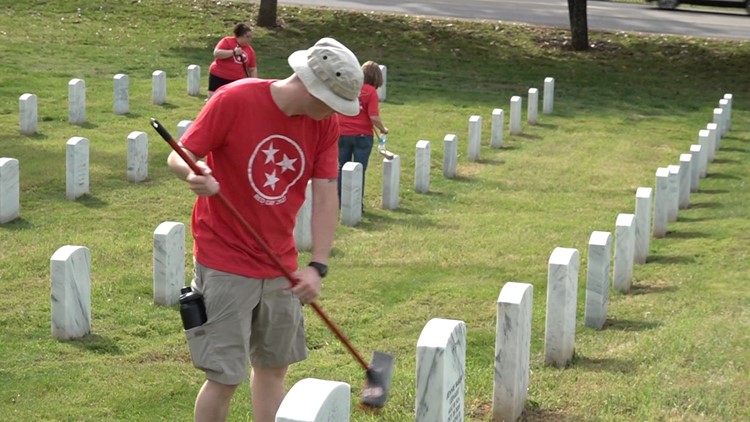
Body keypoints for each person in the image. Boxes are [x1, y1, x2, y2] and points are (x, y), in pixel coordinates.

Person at [167, 38, 364, 422]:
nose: (334, 113)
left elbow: (325, 193)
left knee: (274, 368)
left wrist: (317, 265)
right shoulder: (235, 100)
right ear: (311, 87)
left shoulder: (326, 124)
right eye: (332, 102)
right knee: (225, 377)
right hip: (224, 261)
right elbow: (179, 153)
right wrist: (193, 172)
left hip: (280, 264)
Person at [336, 61, 388, 206]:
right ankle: (356, 203)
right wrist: (383, 129)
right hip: (362, 136)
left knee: (342, 168)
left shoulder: (349, 88)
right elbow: (373, 117)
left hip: (342, 133)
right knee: (359, 170)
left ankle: (340, 201)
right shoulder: (370, 92)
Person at [207, 22, 258, 99]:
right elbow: (217, 53)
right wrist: (233, 52)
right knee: (214, 99)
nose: (250, 39)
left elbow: (252, 68)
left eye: (251, 37)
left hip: (236, 80)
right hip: (218, 76)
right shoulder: (227, 41)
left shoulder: (250, 51)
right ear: (239, 36)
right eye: (247, 37)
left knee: (232, 100)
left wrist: (254, 83)